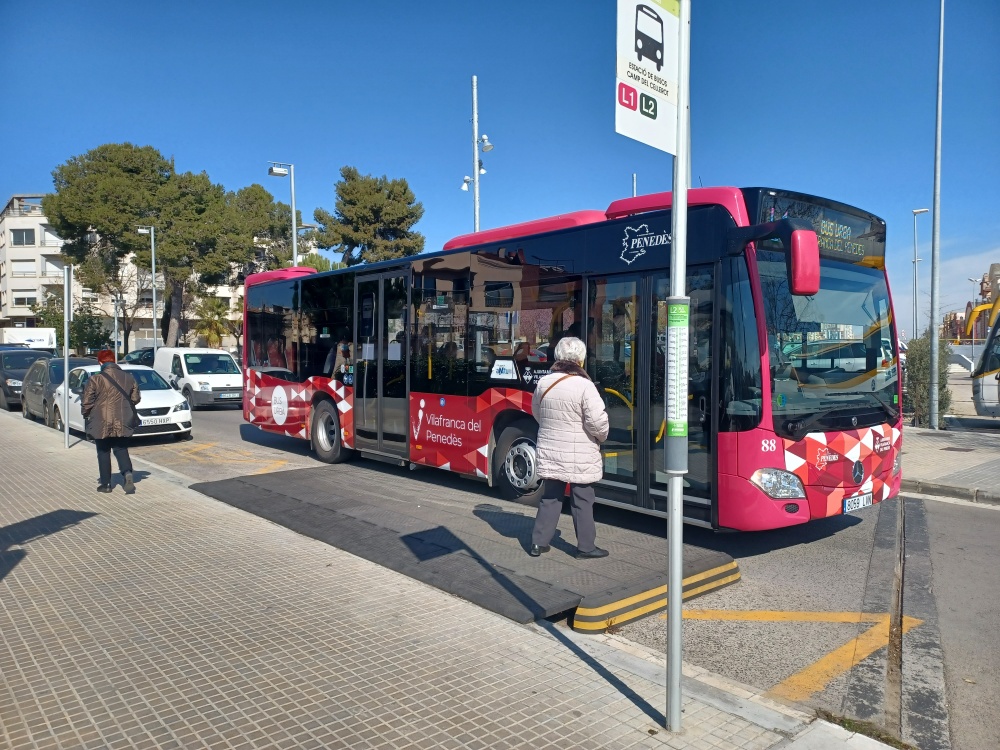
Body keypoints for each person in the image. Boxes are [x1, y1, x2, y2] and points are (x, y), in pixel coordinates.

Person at [528, 336, 610, 559]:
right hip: (579, 452)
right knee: (582, 498)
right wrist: (601, 437)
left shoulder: (544, 383)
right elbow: (597, 422)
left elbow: (538, 413)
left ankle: (538, 543)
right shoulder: (585, 386)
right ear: (580, 360)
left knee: (551, 496)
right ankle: (585, 547)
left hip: (551, 448)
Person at [82, 350, 141, 494]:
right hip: (122, 419)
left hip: (101, 420)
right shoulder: (129, 377)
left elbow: (87, 402)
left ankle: (106, 484)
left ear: (100, 362)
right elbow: (135, 399)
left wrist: (86, 414)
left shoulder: (95, 379)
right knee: (121, 448)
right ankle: (127, 473)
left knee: (103, 451)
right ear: (114, 361)